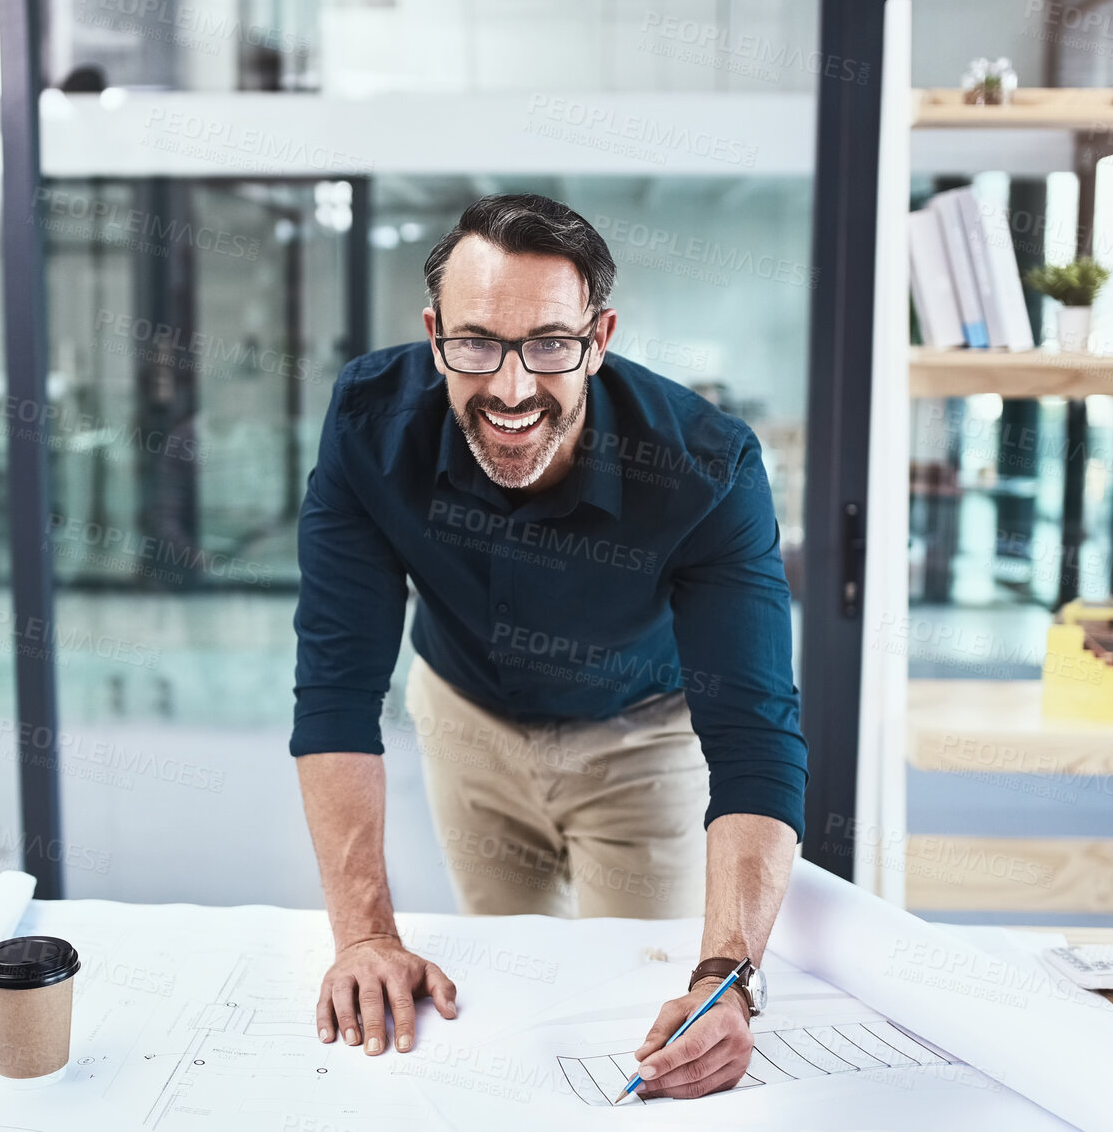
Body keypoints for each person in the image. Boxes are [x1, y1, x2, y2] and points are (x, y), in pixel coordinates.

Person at [290, 192, 807, 1099]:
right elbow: (336, 684)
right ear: (434, 332)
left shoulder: (705, 467)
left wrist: (728, 980)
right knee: (505, 1000)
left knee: (637, 1007)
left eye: (551, 344)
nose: (513, 386)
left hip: (641, 741)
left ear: (598, 337)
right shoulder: (371, 421)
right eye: (477, 342)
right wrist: (363, 933)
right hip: (466, 722)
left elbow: (756, 733)